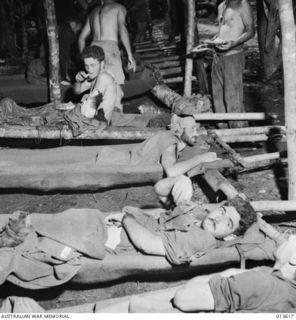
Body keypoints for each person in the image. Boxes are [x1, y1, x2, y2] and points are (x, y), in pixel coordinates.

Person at [105, 193, 257, 265]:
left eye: (228, 223)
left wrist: (125, 218)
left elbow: (147, 244)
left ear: (229, 237)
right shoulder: (200, 220)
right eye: (222, 211)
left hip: (118, 240)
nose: (218, 219)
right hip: (124, 228)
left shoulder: (202, 239)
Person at [173, 233, 296, 313]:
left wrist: (230, 272)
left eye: (293, 239)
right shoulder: (289, 295)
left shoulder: (262, 282)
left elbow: (183, 298)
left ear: (294, 261)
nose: (289, 237)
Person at [78, 0, 136, 111]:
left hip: (94, 50)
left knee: (97, 88)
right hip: (110, 47)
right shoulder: (118, 7)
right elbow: (122, 29)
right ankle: (114, 116)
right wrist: (130, 55)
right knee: (116, 88)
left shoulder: (92, 12)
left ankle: (95, 115)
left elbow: (81, 38)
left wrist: (84, 57)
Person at [208, 0, 255, 128]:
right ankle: (223, 133)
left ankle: (239, 134)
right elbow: (224, 29)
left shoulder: (242, 4)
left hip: (233, 57)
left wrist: (233, 43)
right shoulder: (221, 6)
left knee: (233, 98)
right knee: (218, 97)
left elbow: (251, 31)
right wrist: (215, 38)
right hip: (217, 57)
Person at [74, 45, 117, 123]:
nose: (89, 70)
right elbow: (77, 91)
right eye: (86, 66)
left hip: (99, 125)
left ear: (102, 63)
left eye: (92, 65)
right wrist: (77, 81)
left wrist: (86, 100)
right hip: (95, 121)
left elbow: (89, 111)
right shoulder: (95, 76)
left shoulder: (103, 77)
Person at [59, 16, 82, 84]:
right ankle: (64, 76)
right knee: (64, 56)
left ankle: (64, 76)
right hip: (63, 55)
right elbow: (65, 52)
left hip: (61, 53)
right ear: (74, 23)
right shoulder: (68, 31)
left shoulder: (63, 27)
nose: (77, 31)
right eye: (78, 28)